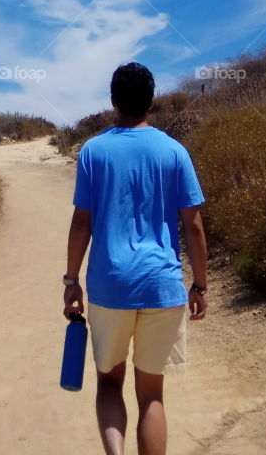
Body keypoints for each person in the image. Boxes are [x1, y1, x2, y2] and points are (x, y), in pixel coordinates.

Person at [63, 62, 208, 455]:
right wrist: (200, 285)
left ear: (113, 102)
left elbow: (81, 225)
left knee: (109, 384)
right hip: (161, 287)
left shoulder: (94, 152)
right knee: (152, 397)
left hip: (110, 287)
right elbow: (193, 227)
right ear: (152, 101)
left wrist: (71, 281)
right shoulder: (174, 152)